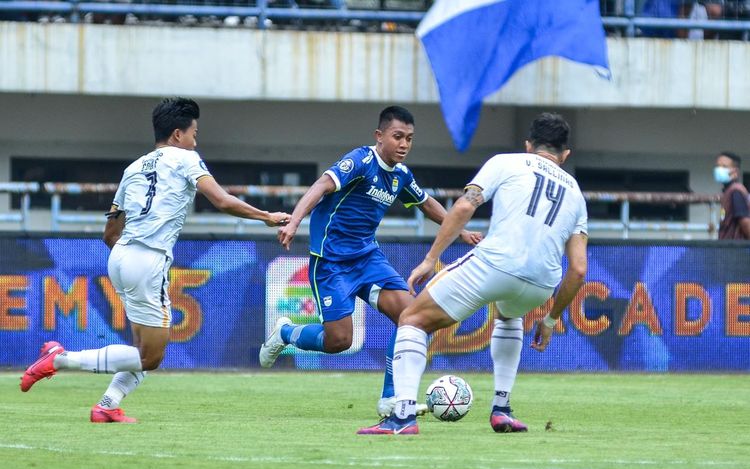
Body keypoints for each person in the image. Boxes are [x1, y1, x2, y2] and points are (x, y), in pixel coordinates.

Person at [20, 97, 291, 422]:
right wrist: (265, 216)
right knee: (151, 358)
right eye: (194, 133)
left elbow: (110, 232)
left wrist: (129, 259)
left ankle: (107, 406)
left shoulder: (133, 168)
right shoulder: (187, 159)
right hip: (147, 261)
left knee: (140, 349)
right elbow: (221, 200)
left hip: (120, 256)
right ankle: (60, 359)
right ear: (178, 134)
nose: (196, 140)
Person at [358, 112, 588, 435]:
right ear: (565, 155)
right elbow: (578, 269)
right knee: (509, 316)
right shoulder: (576, 193)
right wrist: (550, 320)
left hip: (496, 265)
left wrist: (430, 259)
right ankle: (502, 408)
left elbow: (466, 206)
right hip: (541, 284)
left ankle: (403, 416)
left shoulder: (507, 163)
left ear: (528, 145)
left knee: (412, 319)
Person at [261, 105, 482, 417]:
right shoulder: (361, 161)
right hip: (332, 262)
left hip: (368, 259)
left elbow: (426, 203)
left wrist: (460, 230)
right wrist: (295, 221)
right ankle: (286, 333)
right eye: (397, 137)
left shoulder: (401, 175)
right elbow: (323, 185)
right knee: (339, 340)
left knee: (412, 316)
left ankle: (391, 398)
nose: (404, 144)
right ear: (380, 136)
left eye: (409, 138)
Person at [714, 151, 750, 239]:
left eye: (724, 166)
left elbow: (745, 222)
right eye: (718, 166)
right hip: (727, 248)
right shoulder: (728, 191)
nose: (719, 169)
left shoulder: (736, 191)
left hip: (735, 249)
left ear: (735, 171)